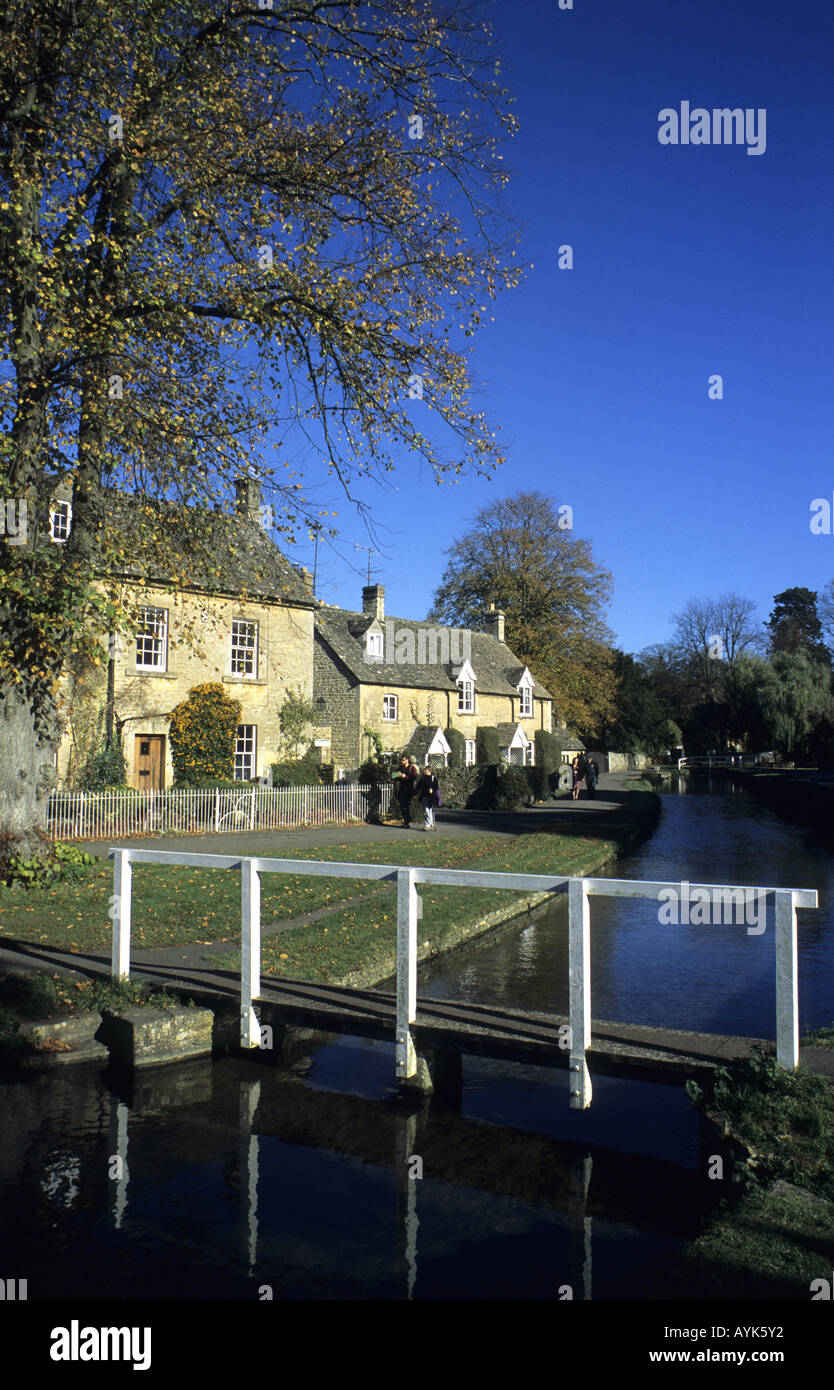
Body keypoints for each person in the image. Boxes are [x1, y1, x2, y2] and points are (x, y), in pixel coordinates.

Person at [394, 754, 417, 828]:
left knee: (406, 806)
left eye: (403, 760)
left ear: (407, 760)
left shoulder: (412, 768)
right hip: (402, 789)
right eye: (401, 760)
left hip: (408, 789)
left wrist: (405, 776)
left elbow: (413, 778)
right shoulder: (400, 768)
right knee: (402, 805)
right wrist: (398, 775)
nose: (402, 761)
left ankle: (407, 822)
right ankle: (405, 821)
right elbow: (394, 776)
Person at [414, 764, 440, 830]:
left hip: (430, 797)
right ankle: (430, 824)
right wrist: (415, 793)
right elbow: (418, 786)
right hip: (424, 795)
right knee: (426, 810)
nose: (424, 771)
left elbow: (436, 786)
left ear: (429, 771)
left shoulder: (433, 778)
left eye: (425, 770)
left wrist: (432, 789)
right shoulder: (423, 778)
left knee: (427, 810)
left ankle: (428, 824)